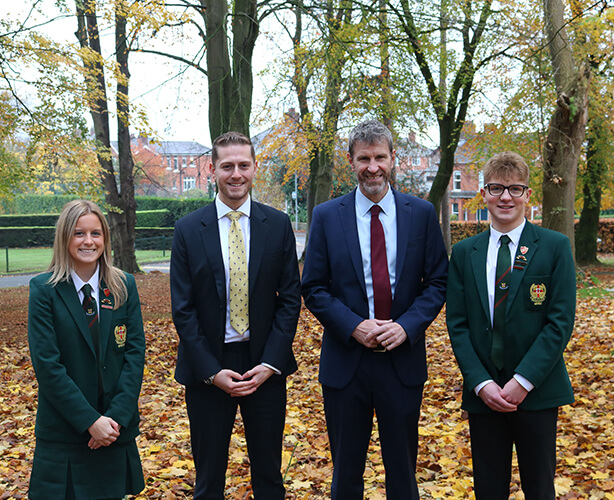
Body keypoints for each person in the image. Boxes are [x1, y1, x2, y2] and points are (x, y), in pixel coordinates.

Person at [301, 119, 448, 499]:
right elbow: (314, 288)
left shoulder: (421, 214)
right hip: (346, 363)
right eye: (364, 158)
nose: (373, 167)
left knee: (403, 475)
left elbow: (437, 283)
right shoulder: (327, 216)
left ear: (393, 159)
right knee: (346, 476)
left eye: (380, 157)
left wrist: (406, 327)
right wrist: (354, 326)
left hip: (402, 362)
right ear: (350, 161)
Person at [170, 131, 301, 500]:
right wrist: (211, 372)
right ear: (212, 169)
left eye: (244, 165)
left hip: (264, 366)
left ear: (255, 168)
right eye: (227, 166)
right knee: (209, 480)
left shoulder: (276, 225)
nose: (236, 174)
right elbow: (183, 309)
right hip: (207, 368)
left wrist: (271, 363)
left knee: (269, 478)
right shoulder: (187, 229)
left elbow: (290, 299)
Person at [446, 152, 576, 499]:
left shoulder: (554, 247)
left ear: (528, 195)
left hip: (537, 391)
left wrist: (523, 381)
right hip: (484, 393)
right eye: (497, 188)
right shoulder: (464, 253)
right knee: (488, 489)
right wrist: (480, 383)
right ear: (484, 194)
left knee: (539, 487)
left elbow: (560, 322)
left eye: (515, 189)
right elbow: (457, 325)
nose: (506, 197)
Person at [27, 199, 145, 499]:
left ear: (105, 238)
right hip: (66, 434)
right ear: (65, 237)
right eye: (79, 233)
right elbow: (47, 366)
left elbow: (134, 355)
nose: (88, 241)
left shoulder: (123, 286)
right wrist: (90, 422)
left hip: (113, 431)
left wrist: (114, 418)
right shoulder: (44, 291)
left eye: (96, 234)